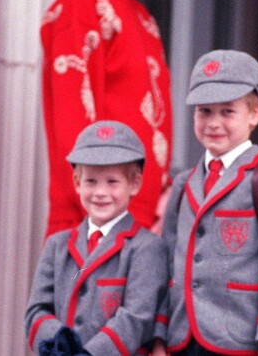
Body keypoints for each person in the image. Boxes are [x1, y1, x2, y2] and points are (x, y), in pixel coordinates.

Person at [41, 0, 173, 237]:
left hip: (143, 229)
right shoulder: (81, 7)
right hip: (96, 228)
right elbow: (75, 133)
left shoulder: (143, 18)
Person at [157, 50, 258, 356]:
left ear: (254, 115)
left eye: (228, 112)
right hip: (182, 341)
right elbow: (166, 266)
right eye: (204, 111)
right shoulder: (184, 185)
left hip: (241, 341)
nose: (214, 122)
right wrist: (159, 338)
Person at [25, 120, 169, 355]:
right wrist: (61, 345)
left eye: (112, 182)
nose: (101, 192)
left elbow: (136, 318)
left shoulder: (147, 248)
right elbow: (37, 310)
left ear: (134, 184)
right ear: (77, 183)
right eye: (91, 181)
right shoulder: (57, 245)